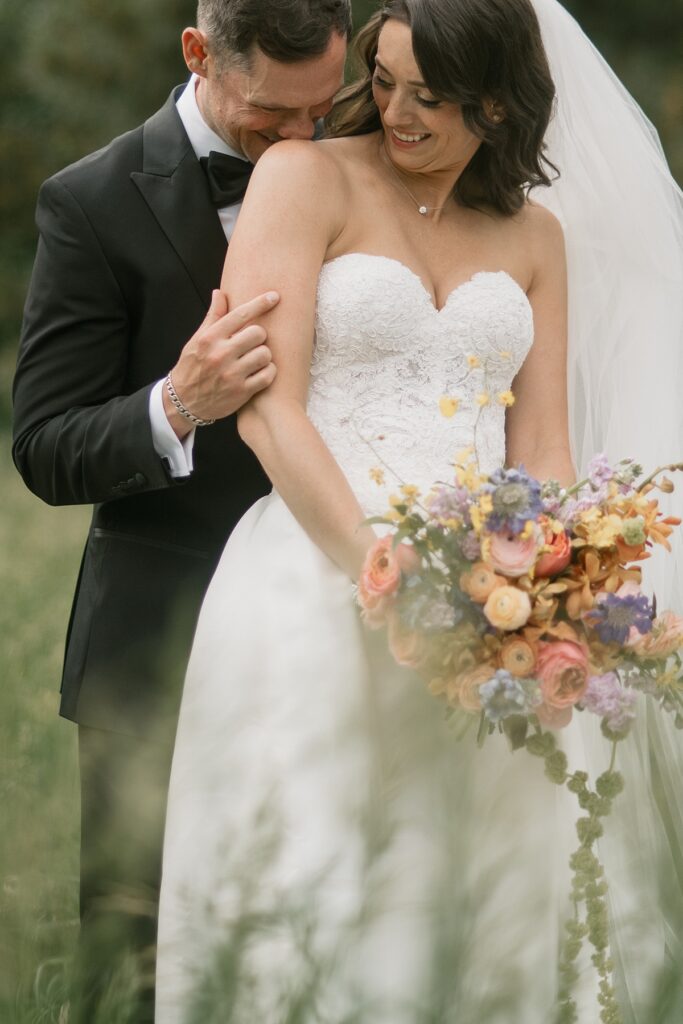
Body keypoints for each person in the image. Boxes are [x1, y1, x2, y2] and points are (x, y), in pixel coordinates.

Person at [156, 0, 683, 1019]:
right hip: (312, 578)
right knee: (311, 874)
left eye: (428, 98)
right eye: (383, 80)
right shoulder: (302, 179)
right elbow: (267, 411)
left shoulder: (535, 235)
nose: (394, 114)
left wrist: (551, 591)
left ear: (497, 102)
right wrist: (381, 572)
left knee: (486, 885)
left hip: (491, 603)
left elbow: (540, 451)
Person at [12, 2, 350, 1020]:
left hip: (328, 619)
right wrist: (175, 403)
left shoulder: (369, 172)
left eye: (320, 112)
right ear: (198, 55)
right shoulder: (90, 201)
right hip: (160, 632)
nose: (298, 142)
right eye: (268, 119)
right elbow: (43, 445)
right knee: (138, 949)